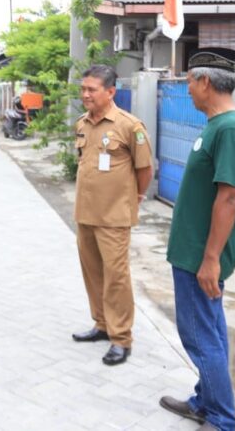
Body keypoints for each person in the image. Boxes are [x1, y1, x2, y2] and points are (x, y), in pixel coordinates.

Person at [159, 48, 235, 431]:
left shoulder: (229, 128)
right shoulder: (217, 125)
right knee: (210, 331)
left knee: (199, 337)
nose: (187, 91)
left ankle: (221, 419)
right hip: (194, 250)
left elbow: (230, 196)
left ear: (205, 82)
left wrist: (211, 258)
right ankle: (206, 400)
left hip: (201, 255)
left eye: (189, 83)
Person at [71, 65, 153, 367]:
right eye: (84, 89)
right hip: (86, 212)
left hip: (114, 216)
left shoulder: (129, 126)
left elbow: (145, 169)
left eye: (92, 90)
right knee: (93, 273)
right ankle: (102, 325)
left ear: (110, 92)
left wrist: (136, 198)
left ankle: (121, 338)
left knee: (117, 277)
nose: (86, 94)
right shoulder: (83, 124)